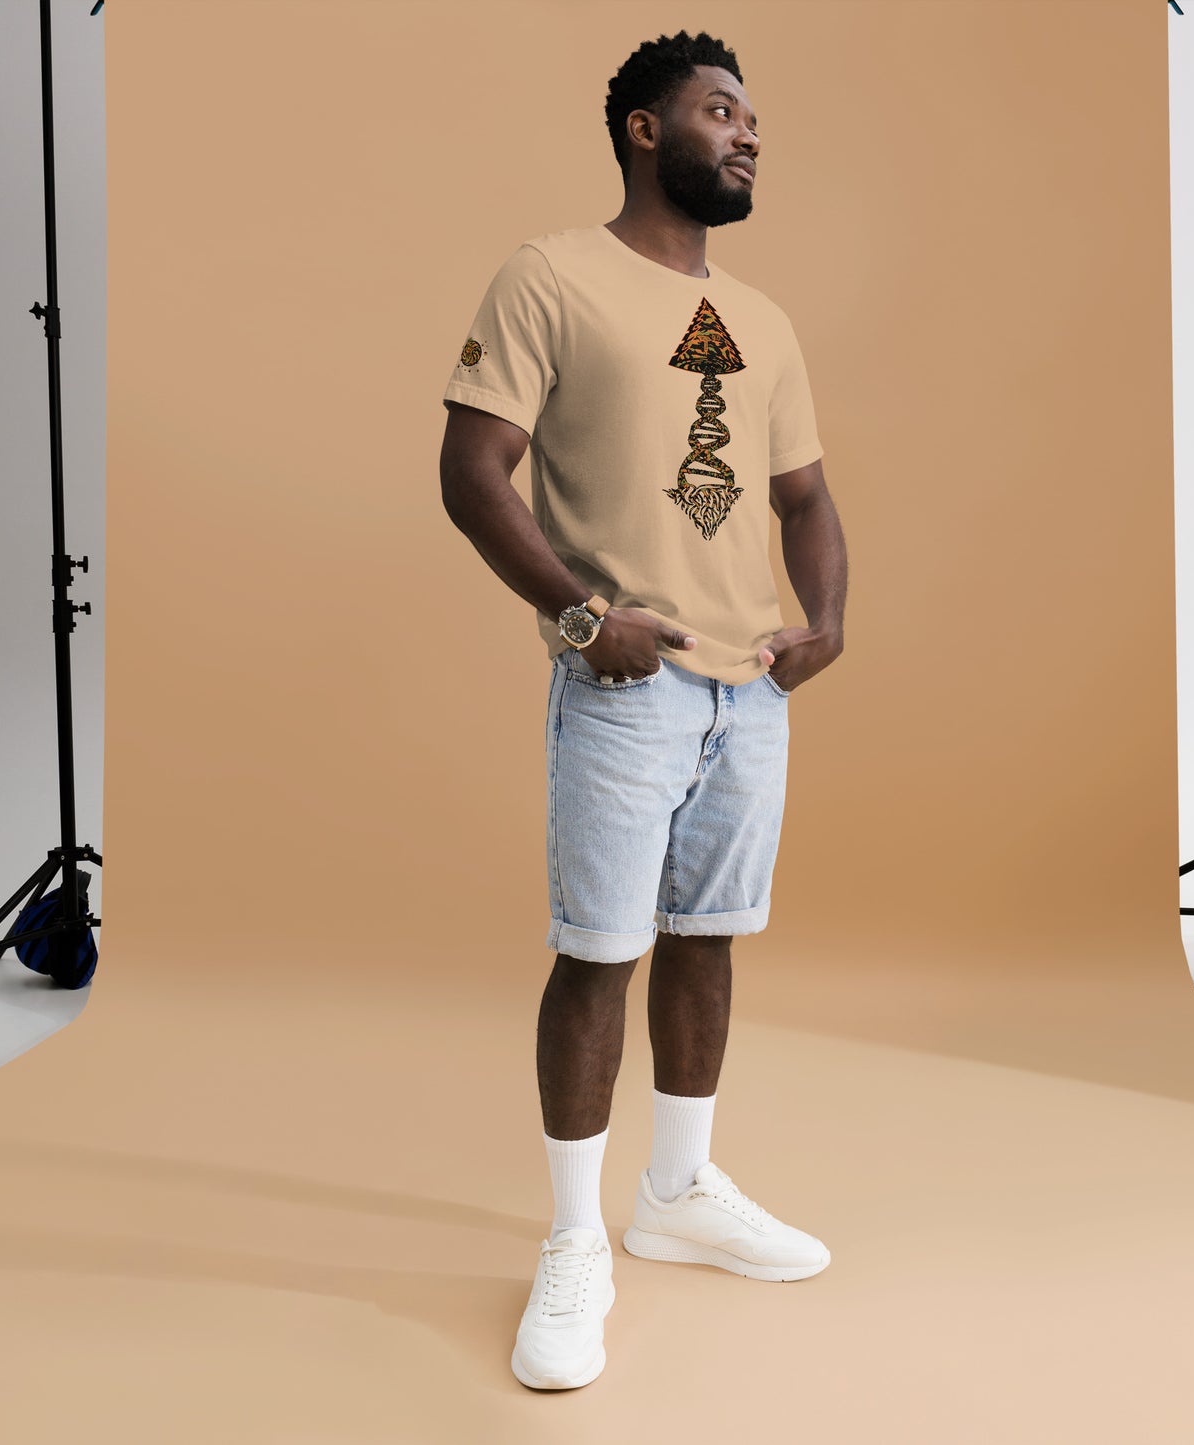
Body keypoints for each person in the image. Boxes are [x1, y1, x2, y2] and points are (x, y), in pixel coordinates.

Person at [440, 29, 847, 1391]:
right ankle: (573, 1242)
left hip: (749, 694)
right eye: (718, 112)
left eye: (752, 120)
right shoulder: (551, 275)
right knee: (598, 952)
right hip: (624, 684)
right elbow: (471, 467)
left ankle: (675, 1194)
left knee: (709, 939)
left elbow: (800, 495)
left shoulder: (770, 323)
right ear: (639, 130)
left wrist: (824, 621)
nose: (744, 135)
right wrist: (575, 618)